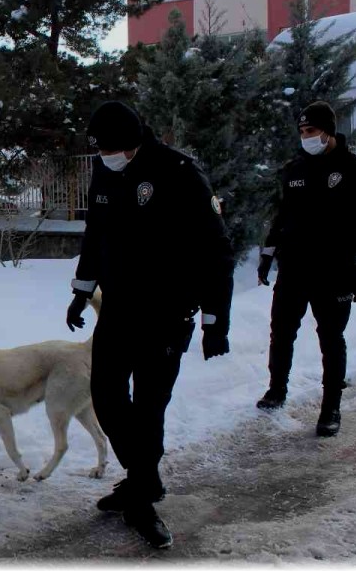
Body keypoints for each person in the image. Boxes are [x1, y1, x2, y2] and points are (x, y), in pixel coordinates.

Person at [66, 100, 234, 550]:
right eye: (100, 150)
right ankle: (145, 477)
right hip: (120, 309)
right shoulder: (106, 170)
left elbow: (217, 251)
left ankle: (141, 498)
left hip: (166, 313)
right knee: (104, 395)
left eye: (113, 149)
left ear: (135, 140)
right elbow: (96, 236)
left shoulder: (179, 172)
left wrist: (216, 320)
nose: (106, 157)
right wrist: (82, 291)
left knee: (149, 408)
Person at [255, 101, 356, 438]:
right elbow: (283, 216)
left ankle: (331, 408)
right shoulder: (294, 169)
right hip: (294, 268)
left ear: (327, 131)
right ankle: (276, 389)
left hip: (334, 271)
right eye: (302, 132)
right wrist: (268, 254)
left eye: (311, 131)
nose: (306, 137)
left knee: (330, 338)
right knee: (281, 332)